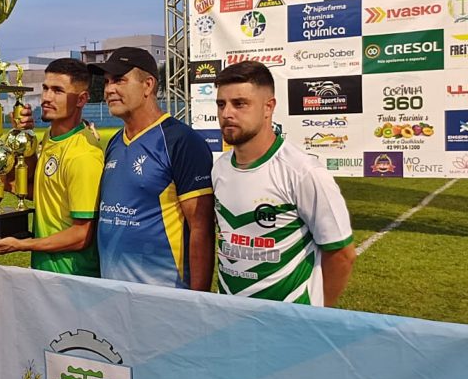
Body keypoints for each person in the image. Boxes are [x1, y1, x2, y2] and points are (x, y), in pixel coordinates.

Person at [212, 61, 356, 306]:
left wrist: (317, 314)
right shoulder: (220, 168)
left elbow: (341, 253)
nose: (227, 113)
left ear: (268, 107)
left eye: (240, 103)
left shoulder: (303, 172)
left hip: (288, 318)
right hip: (229, 313)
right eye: (221, 104)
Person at [90, 47, 215, 290]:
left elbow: (201, 228)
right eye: (106, 82)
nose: (109, 89)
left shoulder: (180, 141)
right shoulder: (115, 142)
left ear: (147, 85)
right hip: (113, 295)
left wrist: (198, 300)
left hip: (163, 296)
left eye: (119, 80)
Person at [0, 58, 103, 276]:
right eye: (45, 88)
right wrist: (23, 139)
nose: (46, 97)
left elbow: (81, 235)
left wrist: (23, 245)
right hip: (46, 273)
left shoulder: (84, 155)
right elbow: (42, 190)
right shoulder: (50, 137)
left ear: (81, 99)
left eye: (58, 91)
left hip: (73, 278)